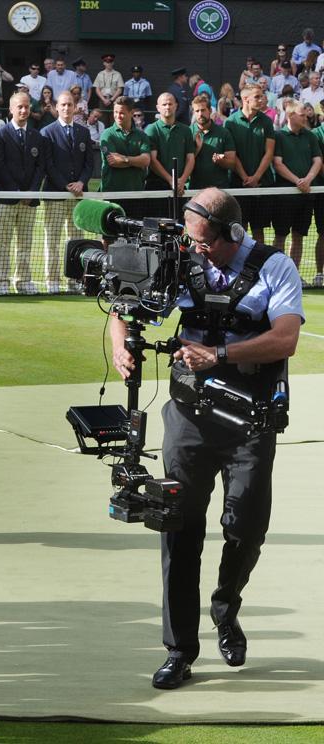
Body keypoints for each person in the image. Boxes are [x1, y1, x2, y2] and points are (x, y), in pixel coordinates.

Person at [108, 187, 303, 690]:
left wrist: (217, 356)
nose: (194, 251)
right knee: (179, 527)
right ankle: (180, 651)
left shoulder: (274, 266)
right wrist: (120, 350)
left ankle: (225, 606)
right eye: (190, 242)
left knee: (247, 529)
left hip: (251, 417)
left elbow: (286, 338)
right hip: (189, 416)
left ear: (230, 233)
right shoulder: (181, 258)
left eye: (203, 243)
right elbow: (122, 304)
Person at [0, 91, 46, 295]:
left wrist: (31, 192)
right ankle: (2, 282)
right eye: (20, 107)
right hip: (5, 198)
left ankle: (23, 281)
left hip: (29, 201)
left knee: (25, 243)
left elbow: (40, 167)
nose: (24, 110)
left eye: (27, 107)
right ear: (11, 109)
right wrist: (16, 192)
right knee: (3, 243)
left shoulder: (36, 136)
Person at [41, 91, 95, 294]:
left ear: (75, 107)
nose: (66, 108)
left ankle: (74, 281)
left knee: (76, 241)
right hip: (55, 195)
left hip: (78, 197)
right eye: (62, 105)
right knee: (52, 240)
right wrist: (66, 185)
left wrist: (81, 183)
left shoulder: (84, 132)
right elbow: (48, 165)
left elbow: (89, 164)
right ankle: (52, 282)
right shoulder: (47, 132)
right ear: (56, 107)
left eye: (69, 105)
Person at [271, 100, 322, 267]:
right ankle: (277, 274)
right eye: (301, 115)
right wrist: (297, 181)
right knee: (280, 236)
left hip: (305, 196)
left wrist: (307, 180)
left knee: (298, 236)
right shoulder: (278, 136)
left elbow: (317, 161)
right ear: (290, 116)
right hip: (284, 197)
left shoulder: (310, 136)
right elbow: (278, 164)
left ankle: (295, 274)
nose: (305, 117)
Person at [225, 85, 277, 244]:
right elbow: (233, 155)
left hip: (262, 184)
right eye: (257, 97)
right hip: (237, 184)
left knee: (258, 229)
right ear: (246, 99)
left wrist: (256, 177)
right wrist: (245, 177)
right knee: (239, 229)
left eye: (262, 96)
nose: (262, 100)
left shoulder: (267, 122)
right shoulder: (230, 122)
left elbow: (269, 152)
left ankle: (258, 265)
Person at [144, 92, 196, 219]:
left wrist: (182, 181)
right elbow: (153, 160)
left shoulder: (186, 130)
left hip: (180, 188)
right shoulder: (151, 129)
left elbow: (190, 158)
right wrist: (170, 180)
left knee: (179, 227)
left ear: (176, 106)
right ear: (158, 108)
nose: (167, 107)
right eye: (164, 104)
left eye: (170, 104)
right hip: (156, 186)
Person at [98, 97, 151, 214]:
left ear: (131, 113)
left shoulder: (142, 136)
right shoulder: (107, 134)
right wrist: (136, 162)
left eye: (122, 113)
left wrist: (125, 159)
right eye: (115, 112)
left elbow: (146, 161)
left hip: (136, 194)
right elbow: (113, 162)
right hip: (111, 194)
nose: (118, 116)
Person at [189, 94, 237, 193]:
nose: (200, 114)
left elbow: (232, 162)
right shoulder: (187, 132)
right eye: (197, 111)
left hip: (219, 189)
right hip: (195, 190)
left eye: (203, 110)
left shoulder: (224, 133)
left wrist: (220, 160)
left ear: (210, 110)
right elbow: (182, 164)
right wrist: (197, 149)